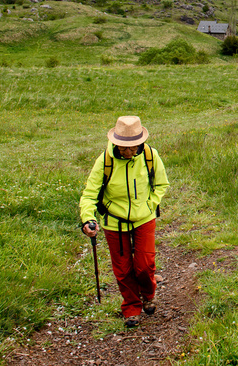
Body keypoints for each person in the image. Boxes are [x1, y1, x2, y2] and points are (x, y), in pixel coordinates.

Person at [79, 115, 169, 328]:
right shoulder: (105, 161)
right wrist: (88, 219)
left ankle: (148, 295)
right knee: (123, 269)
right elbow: (89, 194)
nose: (128, 151)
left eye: (132, 147)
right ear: (116, 142)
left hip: (144, 219)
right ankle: (131, 308)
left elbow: (162, 184)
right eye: (123, 147)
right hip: (114, 221)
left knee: (145, 265)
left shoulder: (150, 155)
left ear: (140, 142)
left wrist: (150, 205)